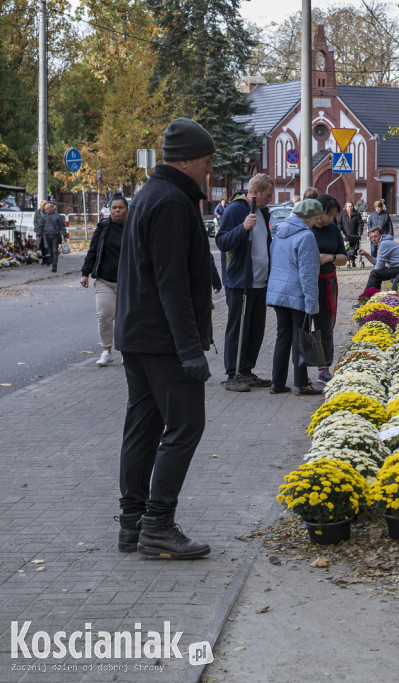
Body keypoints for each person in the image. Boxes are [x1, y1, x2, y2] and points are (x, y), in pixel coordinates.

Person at [114, 117, 216, 559]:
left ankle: (132, 522)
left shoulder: (149, 195)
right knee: (187, 424)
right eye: (208, 162)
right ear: (190, 160)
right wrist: (190, 349)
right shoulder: (173, 201)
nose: (210, 171)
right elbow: (170, 283)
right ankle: (157, 524)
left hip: (138, 334)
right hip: (163, 339)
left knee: (143, 427)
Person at [215, 173, 274, 392]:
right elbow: (221, 241)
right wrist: (242, 228)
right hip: (240, 282)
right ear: (255, 192)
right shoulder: (236, 210)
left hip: (260, 281)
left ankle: (246, 371)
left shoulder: (262, 211)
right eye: (267, 195)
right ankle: (232, 374)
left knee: (256, 330)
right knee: (237, 329)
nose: (270, 199)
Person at [266, 199, 330, 396]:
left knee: (282, 336)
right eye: (317, 217)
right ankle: (302, 384)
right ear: (310, 216)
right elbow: (308, 273)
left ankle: (277, 383)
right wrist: (312, 302)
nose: (318, 221)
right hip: (297, 293)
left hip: (278, 293)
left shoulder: (280, 232)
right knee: (300, 337)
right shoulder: (306, 236)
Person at [80, 195, 129, 366]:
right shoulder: (103, 227)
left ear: (127, 209)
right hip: (104, 280)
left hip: (128, 282)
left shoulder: (133, 227)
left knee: (125, 317)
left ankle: (126, 350)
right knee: (105, 315)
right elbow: (93, 250)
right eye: (114, 208)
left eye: (120, 208)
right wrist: (85, 273)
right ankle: (106, 351)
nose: (116, 211)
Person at [310, 195, 345, 383]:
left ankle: (324, 368)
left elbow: (344, 257)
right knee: (305, 327)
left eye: (333, 215)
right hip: (308, 284)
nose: (332, 219)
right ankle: (302, 368)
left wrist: (330, 257)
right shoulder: (307, 227)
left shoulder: (333, 229)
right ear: (318, 212)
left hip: (327, 283)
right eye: (328, 214)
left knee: (326, 327)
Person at [358, 225, 399, 291]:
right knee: (376, 273)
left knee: (375, 273)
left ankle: (366, 297)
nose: (373, 239)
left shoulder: (384, 244)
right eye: (372, 237)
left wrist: (373, 270)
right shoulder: (385, 242)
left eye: (375, 236)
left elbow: (379, 266)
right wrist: (365, 254)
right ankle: (373, 295)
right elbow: (378, 262)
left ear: (381, 235)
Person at [38, 203, 67, 273]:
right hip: (47, 236)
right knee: (50, 251)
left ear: (51, 208)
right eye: (45, 209)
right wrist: (38, 235)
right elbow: (41, 226)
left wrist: (64, 235)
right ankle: (53, 262)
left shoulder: (57, 216)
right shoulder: (44, 217)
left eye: (47, 209)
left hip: (55, 236)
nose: (46, 211)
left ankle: (54, 266)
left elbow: (62, 226)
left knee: (55, 251)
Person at [339, 200, 363, 266]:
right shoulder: (343, 214)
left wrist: (360, 231)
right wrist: (340, 230)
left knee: (354, 248)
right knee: (347, 249)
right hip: (346, 235)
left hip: (354, 235)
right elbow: (339, 223)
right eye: (349, 206)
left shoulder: (357, 214)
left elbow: (360, 223)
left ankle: (353, 260)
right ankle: (348, 261)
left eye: (351, 206)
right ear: (346, 207)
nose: (350, 208)